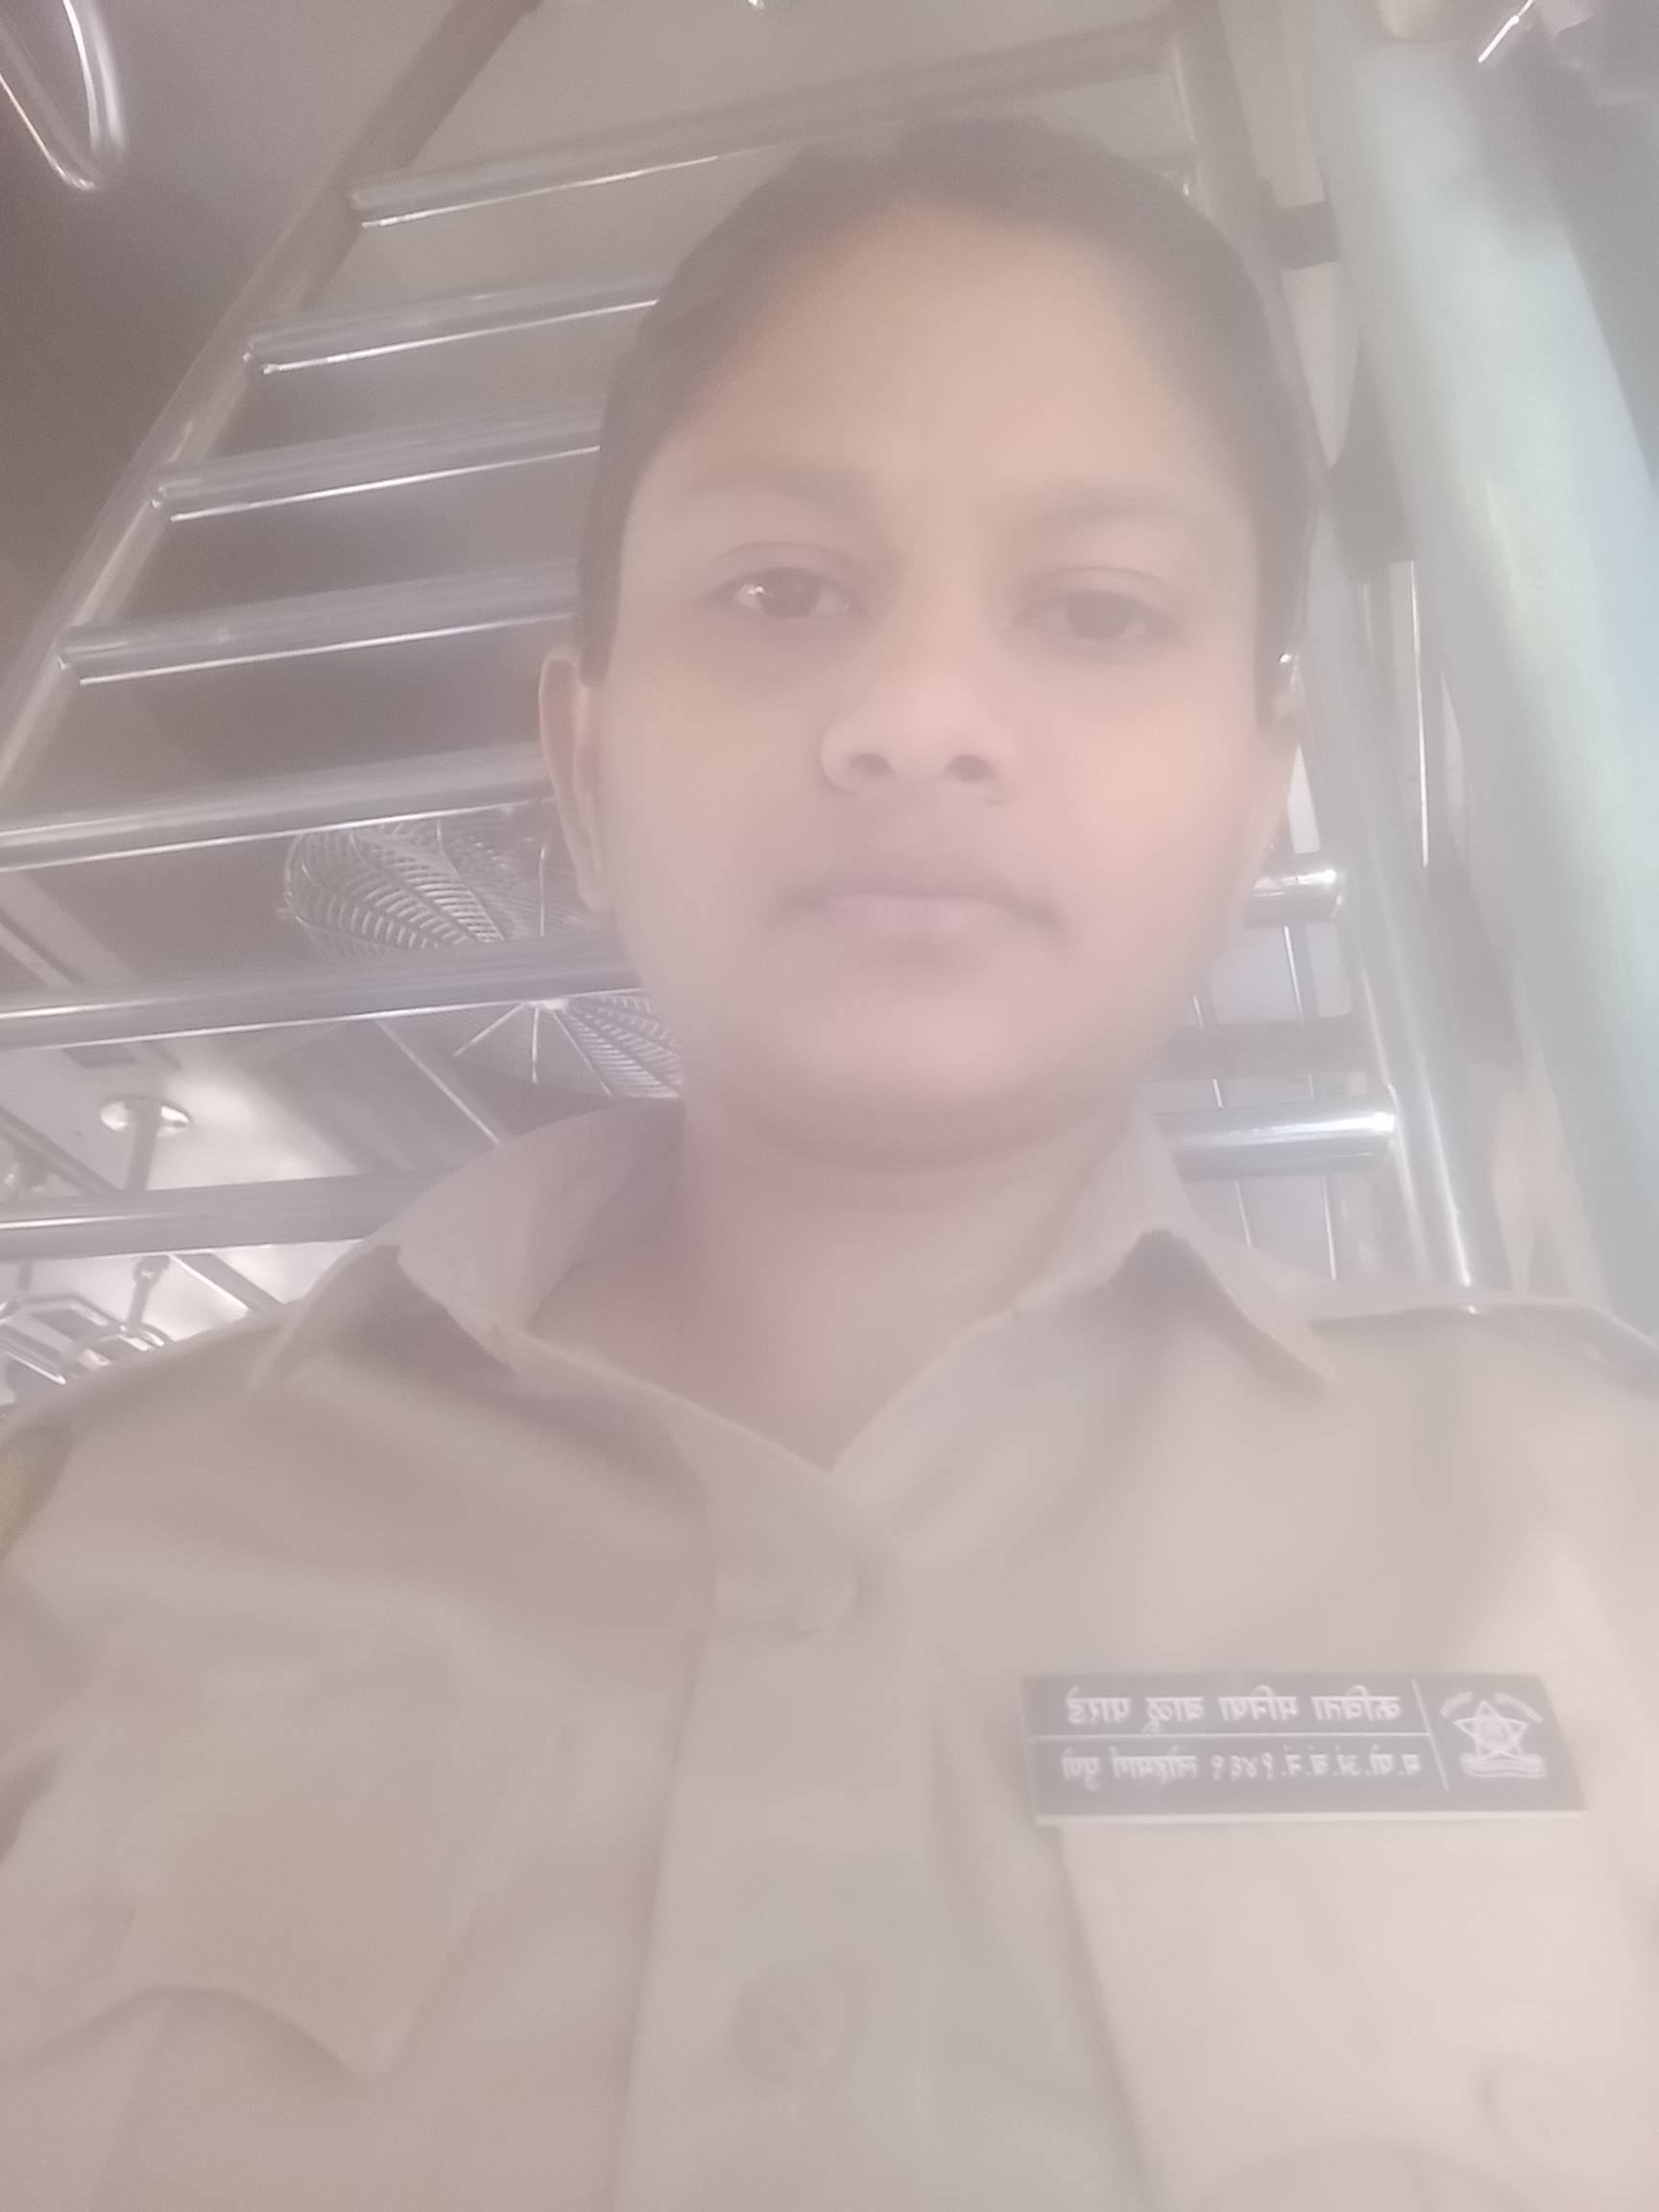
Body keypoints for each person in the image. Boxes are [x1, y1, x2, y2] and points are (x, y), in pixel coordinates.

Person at [0, 115, 1655, 2212]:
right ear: (585, 764)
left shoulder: (1601, 1519)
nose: (919, 711)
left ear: (1258, 802)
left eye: (1097, 610)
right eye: (782, 590)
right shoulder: (77, 1544)